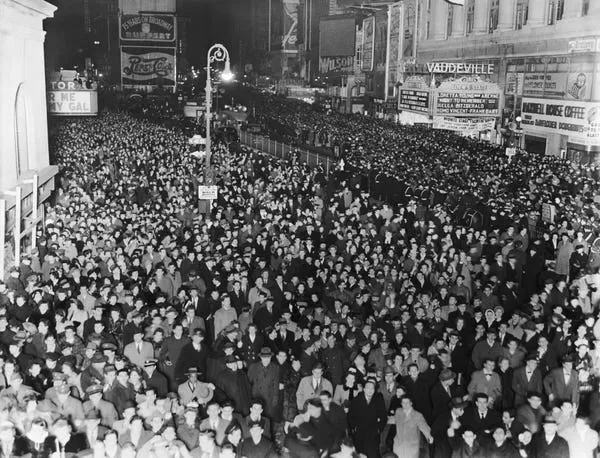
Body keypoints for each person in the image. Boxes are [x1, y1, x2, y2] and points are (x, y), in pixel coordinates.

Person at [348, 378, 387, 458]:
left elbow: (383, 416)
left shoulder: (378, 400)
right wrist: (354, 428)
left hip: (373, 435)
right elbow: (350, 416)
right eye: (368, 388)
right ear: (364, 389)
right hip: (360, 435)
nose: (370, 390)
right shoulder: (356, 400)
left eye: (372, 388)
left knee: (372, 455)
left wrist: (379, 429)